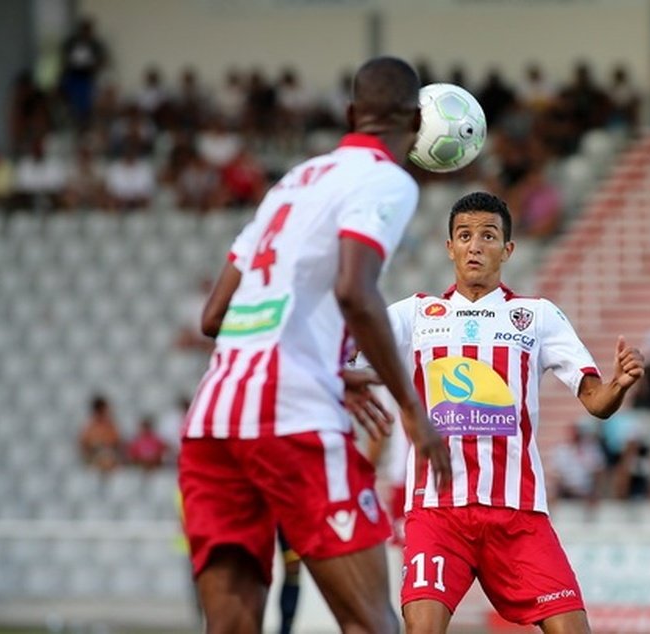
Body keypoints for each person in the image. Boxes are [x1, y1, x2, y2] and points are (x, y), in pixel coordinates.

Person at [177, 57, 450, 634]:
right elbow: (356, 290)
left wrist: (326, 364)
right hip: (289, 416)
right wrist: (412, 410)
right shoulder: (386, 180)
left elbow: (213, 316)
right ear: (417, 125)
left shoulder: (292, 183)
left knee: (231, 626)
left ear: (351, 115)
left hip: (213, 416)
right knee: (374, 622)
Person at [364, 191, 645, 633]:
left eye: (488, 236)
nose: (475, 245)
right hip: (437, 513)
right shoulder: (416, 314)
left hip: (518, 515)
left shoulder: (535, 316)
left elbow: (596, 401)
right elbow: (345, 359)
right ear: (450, 247)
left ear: (507, 249)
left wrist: (619, 386)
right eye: (464, 235)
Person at [78, 395, 122, 473]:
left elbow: (117, 442)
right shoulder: (90, 427)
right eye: (103, 411)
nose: (105, 413)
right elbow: (84, 444)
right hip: (95, 456)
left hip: (109, 454)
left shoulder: (110, 426)